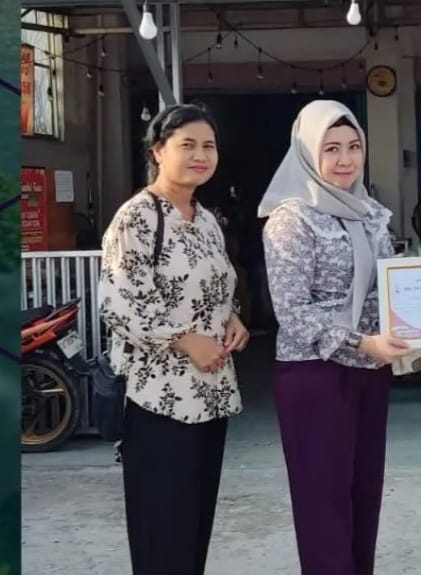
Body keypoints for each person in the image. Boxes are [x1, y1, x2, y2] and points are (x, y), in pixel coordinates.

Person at [259, 100, 411, 575]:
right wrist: (362, 343)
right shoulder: (292, 219)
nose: (345, 160)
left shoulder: (371, 215)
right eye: (331, 149)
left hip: (369, 372)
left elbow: (389, 289)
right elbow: (292, 312)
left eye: (353, 147)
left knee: (364, 495)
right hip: (315, 376)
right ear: (307, 153)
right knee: (322, 502)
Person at [98, 103, 249, 575]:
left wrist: (233, 319)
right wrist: (185, 339)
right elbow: (119, 303)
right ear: (158, 151)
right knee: (162, 529)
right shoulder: (137, 218)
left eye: (209, 146)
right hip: (158, 399)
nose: (200, 155)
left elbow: (214, 289)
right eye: (187, 145)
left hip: (210, 395)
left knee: (194, 526)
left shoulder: (206, 220)